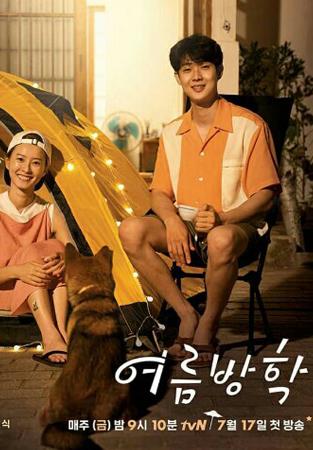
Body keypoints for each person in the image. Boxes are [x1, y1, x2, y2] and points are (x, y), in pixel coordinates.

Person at [119, 34, 281, 366]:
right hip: (187, 231)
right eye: (186, 69)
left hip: (237, 230)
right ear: (177, 78)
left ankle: (208, 324)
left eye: (204, 67)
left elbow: (265, 196)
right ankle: (186, 314)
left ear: (218, 71)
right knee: (130, 230)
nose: (196, 76)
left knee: (220, 238)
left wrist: (224, 218)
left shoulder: (250, 126)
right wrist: (172, 221)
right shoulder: (171, 132)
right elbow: (159, 192)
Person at [0, 130, 75, 366]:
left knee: (59, 250)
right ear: (7, 162)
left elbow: (73, 258)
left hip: (38, 293)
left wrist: (64, 259)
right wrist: (19, 271)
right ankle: (51, 337)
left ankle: (61, 334)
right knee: (33, 257)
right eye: (20, 159)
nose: (26, 169)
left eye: (36, 163)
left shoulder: (49, 211)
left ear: (44, 171)